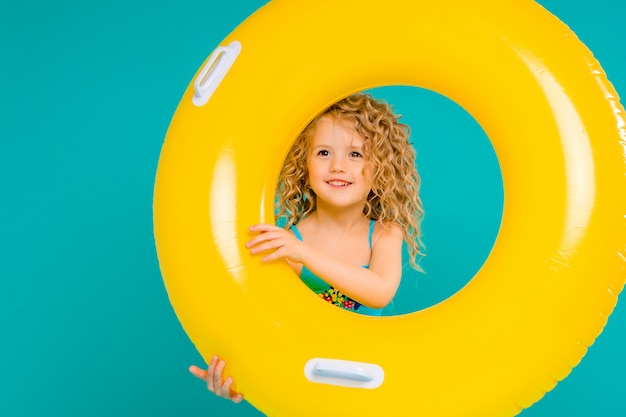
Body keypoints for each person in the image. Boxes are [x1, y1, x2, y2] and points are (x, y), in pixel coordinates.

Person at [189, 92, 424, 402]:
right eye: (324, 152)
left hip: (364, 387)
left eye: (355, 154)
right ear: (304, 164)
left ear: (381, 168)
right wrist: (238, 376)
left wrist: (305, 255)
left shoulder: (383, 234)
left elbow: (379, 291)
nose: (338, 166)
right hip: (305, 389)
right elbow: (267, 322)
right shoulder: (286, 243)